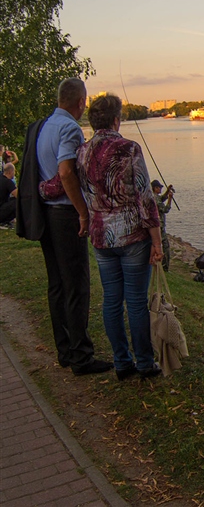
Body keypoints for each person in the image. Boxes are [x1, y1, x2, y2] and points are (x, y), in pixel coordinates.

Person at [16, 77, 113, 375]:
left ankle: (65, 350)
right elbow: (66, 172)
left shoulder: (43, 126)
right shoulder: (70, 128)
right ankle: (81, 356)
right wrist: (83, 213)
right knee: (76, 285)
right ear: (81, 102)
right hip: (64, 216)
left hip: (44, 213)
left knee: (57, 284)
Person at [77, 93, 163, 380]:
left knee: (111, 301)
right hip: (132, 237)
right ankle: (145, 363)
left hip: (101, 238)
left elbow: (66, 184)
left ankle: (122, 363)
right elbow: (145, 198)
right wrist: (157, 240)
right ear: (116, 119)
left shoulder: (82, 151)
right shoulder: (129, 148)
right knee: (136, 302)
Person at [151, 180, 174, 272]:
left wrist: (167, 191)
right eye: (160, 187)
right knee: (165, 247)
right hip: (159, 226)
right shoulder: (156, 198)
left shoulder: (153, 197)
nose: (160, 189)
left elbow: (161, 199)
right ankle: (165, 267)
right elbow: (165, 209)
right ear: (155, 188)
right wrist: (170, 199)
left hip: (155, 226)